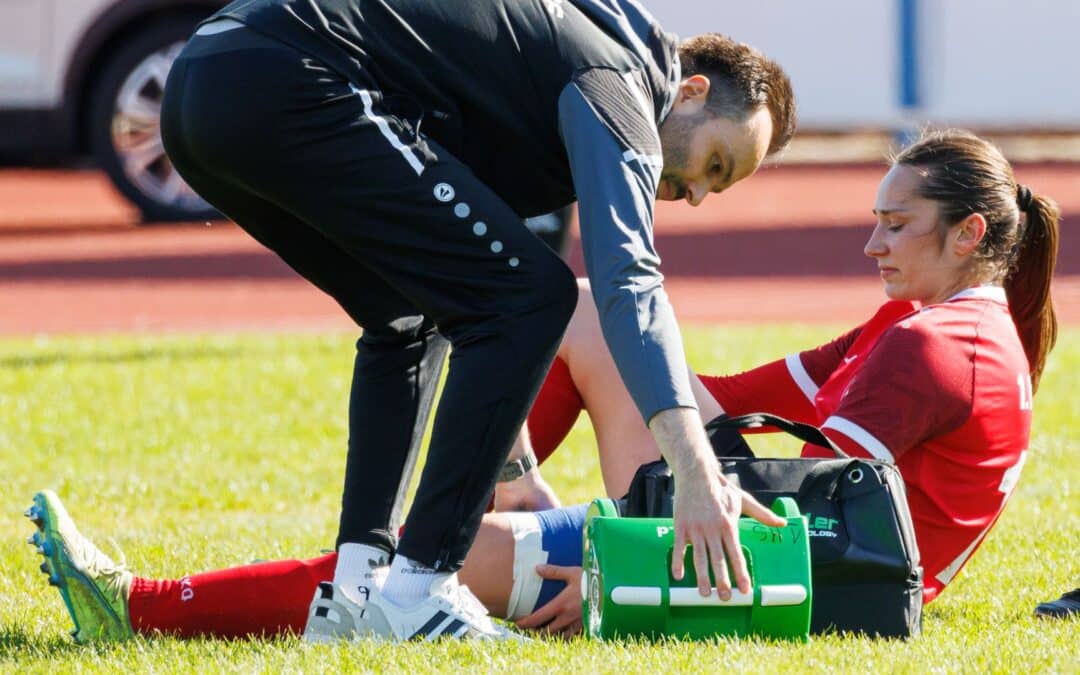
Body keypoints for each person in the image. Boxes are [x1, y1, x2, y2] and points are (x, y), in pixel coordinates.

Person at [30, 128, 1057, 641]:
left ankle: (140, 606)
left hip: (784, 575)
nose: (870, 240)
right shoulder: (932, 322)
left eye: (895, 225)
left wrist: (621, 576)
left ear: (970, 233)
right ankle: (142, 602)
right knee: (569, 342)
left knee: (435, 562)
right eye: (873, 217)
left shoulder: (937, 347)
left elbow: (811, 536)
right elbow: (737, 393)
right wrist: (647, 401)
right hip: (763, 538)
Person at [158, 0, 797, 641]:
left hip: (206, 85)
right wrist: (695, 469)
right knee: (539, 295)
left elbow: (471, 296)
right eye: (715, 164)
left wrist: (515, 476)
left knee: (405, 312)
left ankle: (354, 593)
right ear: (691, 91)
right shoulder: (624, 81)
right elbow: (627, 282)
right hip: (287, 75)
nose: (697, 194)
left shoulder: (590, 46)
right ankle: (421, 587)